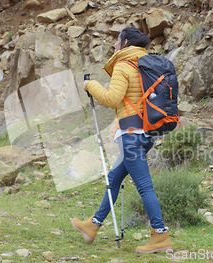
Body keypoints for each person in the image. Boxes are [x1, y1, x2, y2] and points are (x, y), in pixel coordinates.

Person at [71, 27, 172, 254]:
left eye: (117, 41)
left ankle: (160, 234)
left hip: (131, 136)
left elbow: (112, 98)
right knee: (113, 178)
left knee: (144, 186)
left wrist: (91, 86)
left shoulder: (124, 65)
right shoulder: (147, 65)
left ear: (125, 42)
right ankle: (93, 225)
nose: (114, 45)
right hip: (146, 134)